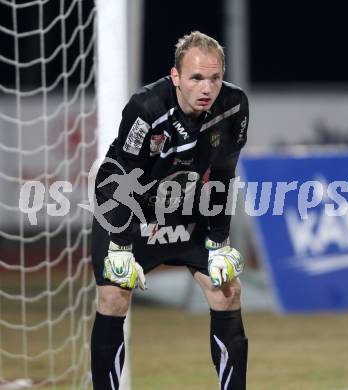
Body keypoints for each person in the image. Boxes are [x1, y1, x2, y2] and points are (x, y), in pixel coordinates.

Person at [90, 31, 249, 389]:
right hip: (129, 208)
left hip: (186, 207)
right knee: (113, 295)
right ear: (176, 76)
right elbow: (120, 176)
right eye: (196, 78)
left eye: (215, 77)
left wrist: (219, 243)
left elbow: (222, 176)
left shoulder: (235, 106)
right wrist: (120, 245)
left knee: (227, 291)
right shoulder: (146, 108)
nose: (207, 87)